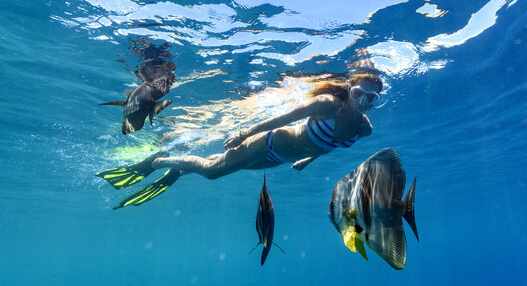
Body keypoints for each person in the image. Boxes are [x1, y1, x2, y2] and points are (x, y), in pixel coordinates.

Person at [96, 69, 383, 208]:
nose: (364, 102)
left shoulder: (364, 128)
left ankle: (180, 168)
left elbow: (329, 145)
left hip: (280, 159)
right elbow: (284, 118)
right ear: (350, 90)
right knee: (212, 172)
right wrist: (246, 133)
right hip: (268, 142)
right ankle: (159, 161)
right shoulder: (327, 105)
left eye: (372, 98)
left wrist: (307, 160)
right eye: (359, 94)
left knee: (220, 164)